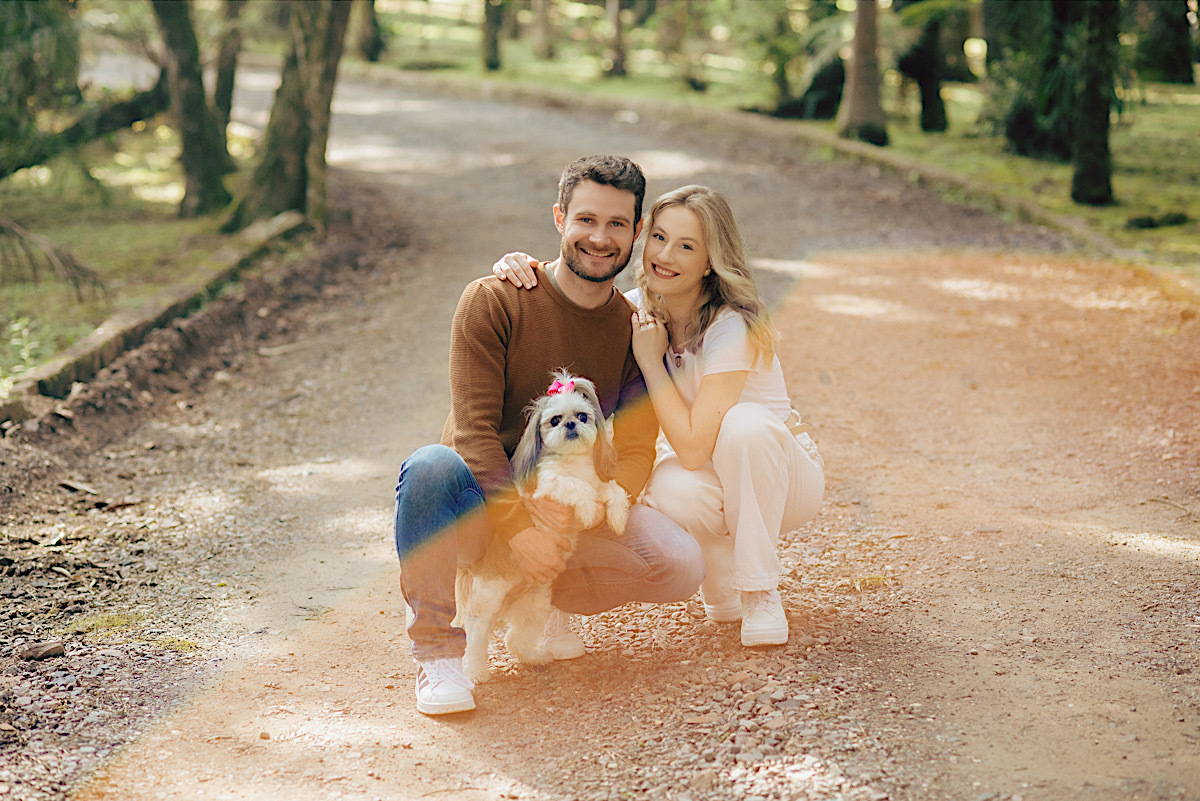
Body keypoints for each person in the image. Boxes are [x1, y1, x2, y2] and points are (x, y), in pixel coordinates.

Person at [395, 156, 705, 717]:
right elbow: (473, 430)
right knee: (429, 467)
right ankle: (438, 653)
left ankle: (543, 598)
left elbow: (635, 449)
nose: (600, 238)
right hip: (482, 507)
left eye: (617, 224)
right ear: (560, 218)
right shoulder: (495, 298)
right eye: (586, 219)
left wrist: (577, 519)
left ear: (637, 232)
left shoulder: (632, 330)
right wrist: (519, 528)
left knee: (677, 562)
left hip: (570, 509)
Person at [492, 184, 824, 648]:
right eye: (660, 237)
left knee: (743, 425)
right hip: (711, 481)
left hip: (783, 476)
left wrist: (651, 361)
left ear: (710, 260)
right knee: (667, 485)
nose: (665, 255)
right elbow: (570, 302)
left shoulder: (733, 324)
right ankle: (722, 573)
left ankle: (760, 591)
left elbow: (691, 446)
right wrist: (519, 267)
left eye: (686, 246)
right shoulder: (635, 309)